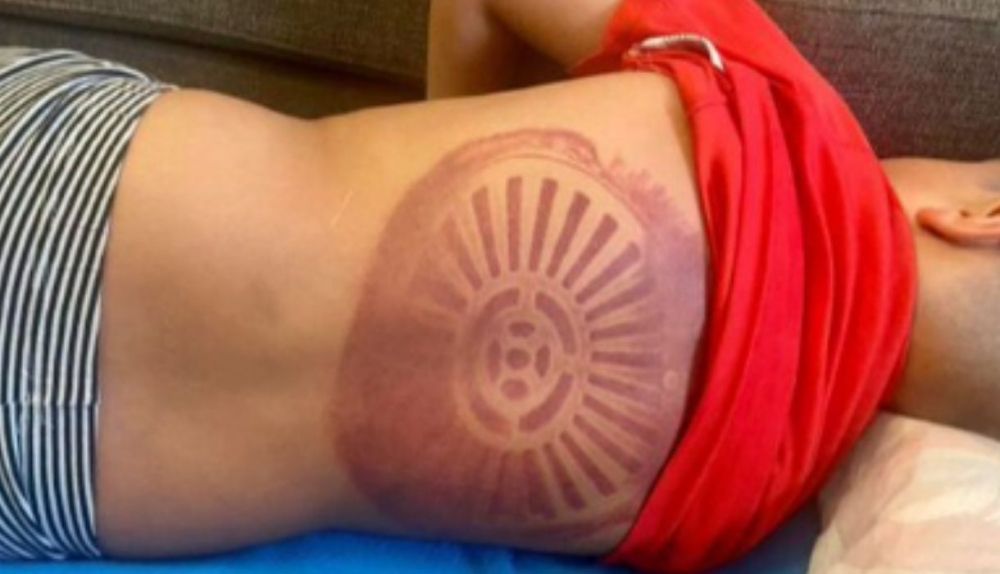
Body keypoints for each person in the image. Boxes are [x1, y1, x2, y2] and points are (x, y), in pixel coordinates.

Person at [0, 0, 996, 570]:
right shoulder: (735, 517)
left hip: (73, 184)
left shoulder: (786, 116)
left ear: (980, 215)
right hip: (67, 487)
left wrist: (441, 143)